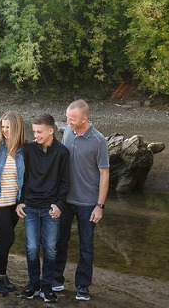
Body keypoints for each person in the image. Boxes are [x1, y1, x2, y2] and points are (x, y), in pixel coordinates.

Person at [53, 99, 109, 301]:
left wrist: (99, 206)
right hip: (65, 200)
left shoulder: (98, 140)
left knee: (86, 246)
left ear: (84, 119)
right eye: (67, 117)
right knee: (60, 241)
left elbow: (104, 174)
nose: (68, 121)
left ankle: (82, 286)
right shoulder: (68, 131)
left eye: (72, 119)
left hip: (87, 203)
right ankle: (56, 279)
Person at [16, 113, 69, 303]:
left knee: (50, 249)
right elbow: (22, 177)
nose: (35, 135)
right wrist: (20, 201)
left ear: (51, 131)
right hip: (30, 206)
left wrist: (60, 205)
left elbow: (64, 183)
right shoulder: (28, 149)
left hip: (50, 209)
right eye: (34, 132)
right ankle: (33, 284)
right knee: (31, 248)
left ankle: (46, 286)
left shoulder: (62, 152)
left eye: (39, 132)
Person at [0, 111, 26, 295]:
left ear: (17, 127)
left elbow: (28, 177)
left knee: (7, 239)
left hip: (13, 203)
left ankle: (2, 275)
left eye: (8, 127)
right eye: (2, 126)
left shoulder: (24, 148)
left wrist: (23, 201)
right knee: (6, 237)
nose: (4, 130)